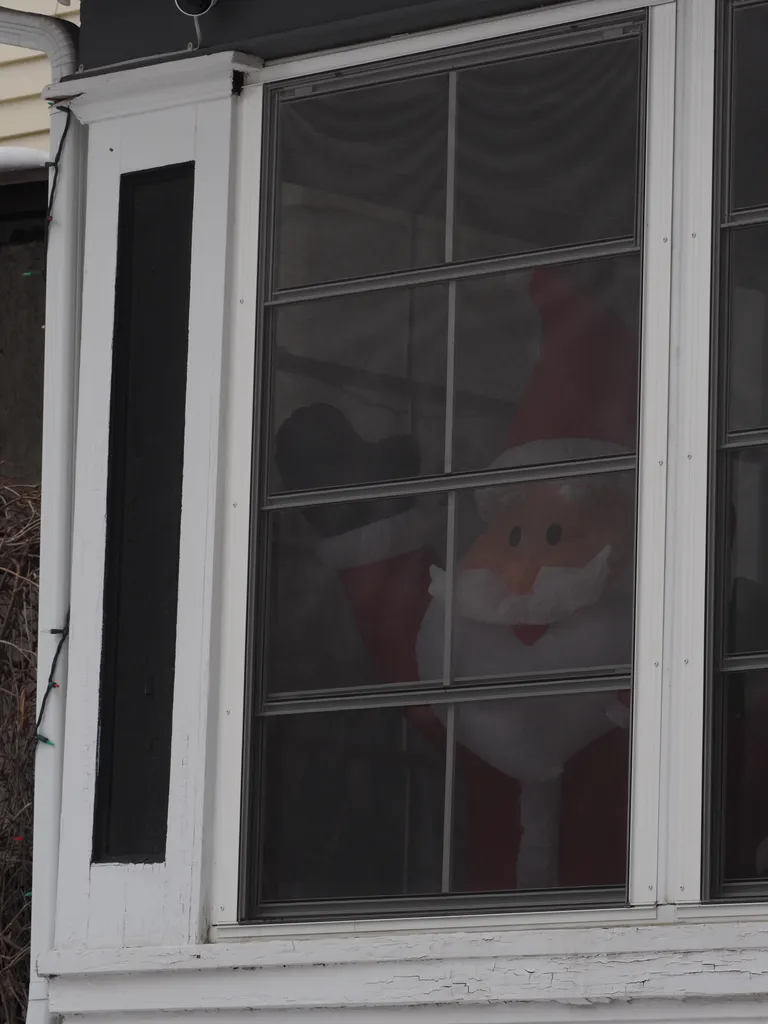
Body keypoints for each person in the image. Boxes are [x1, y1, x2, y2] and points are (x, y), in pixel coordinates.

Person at [275, 267, 638, 890]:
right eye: (512, 537)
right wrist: (364, 519)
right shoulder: (460, 636)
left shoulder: (644, 650)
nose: (523, 568)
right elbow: (407, 648)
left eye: (555, 537)